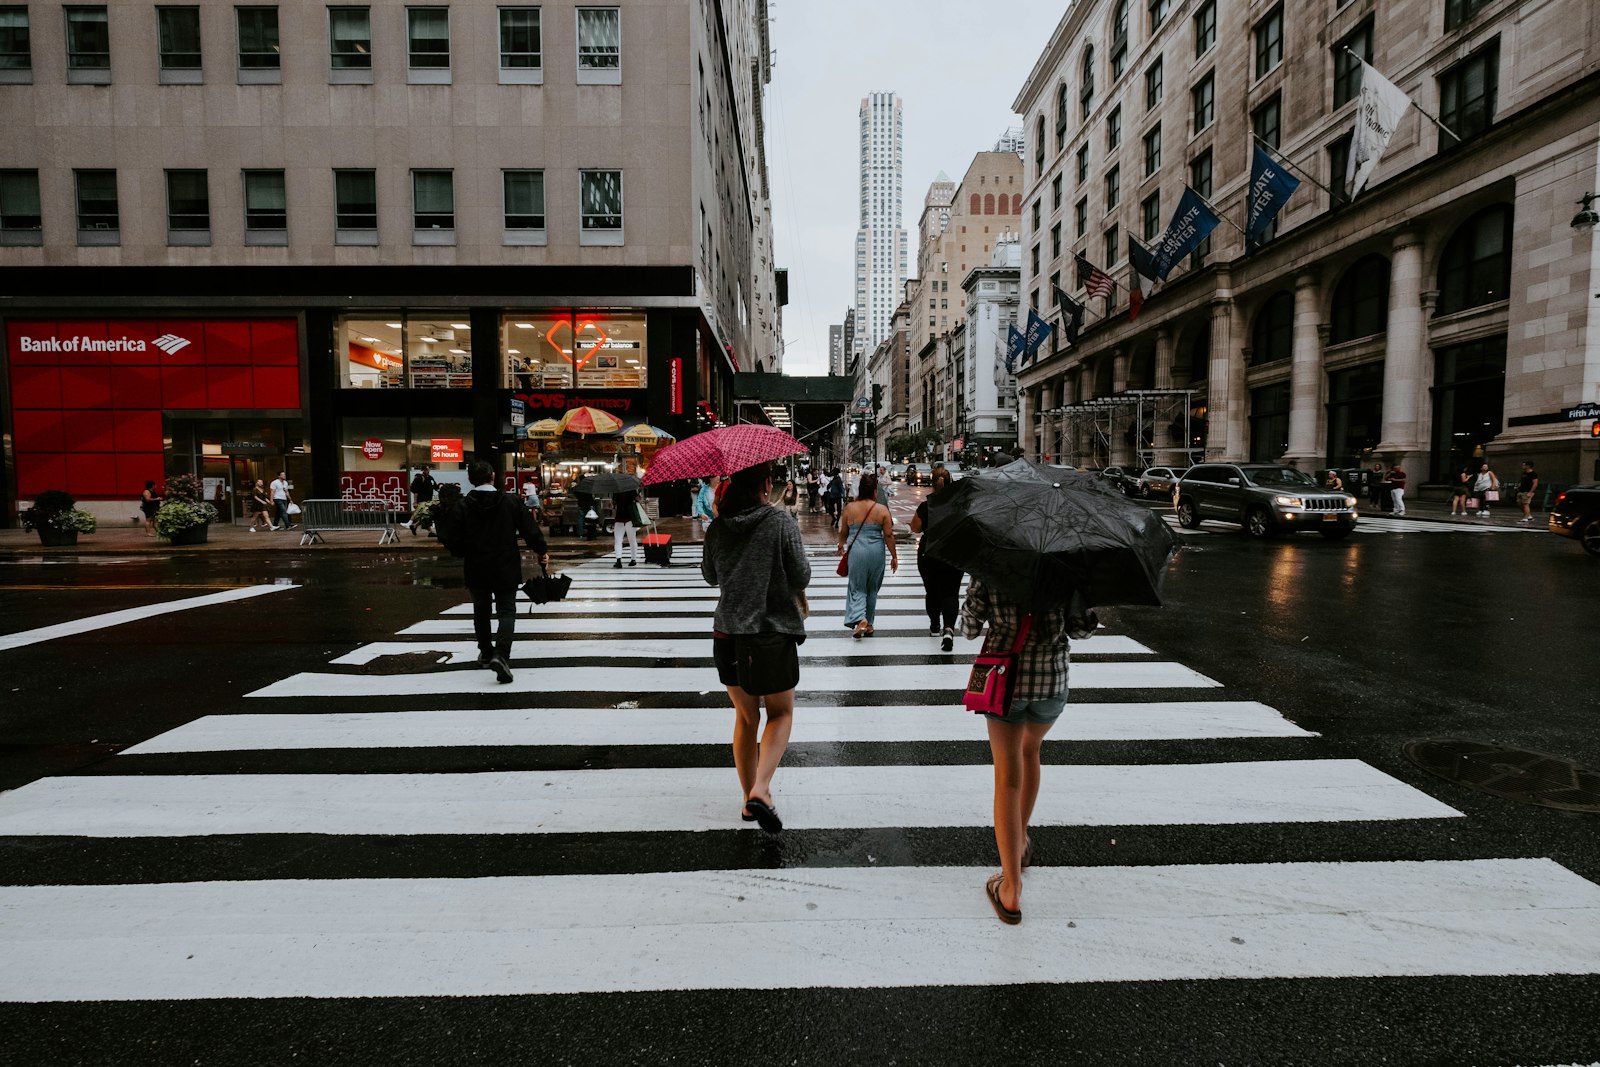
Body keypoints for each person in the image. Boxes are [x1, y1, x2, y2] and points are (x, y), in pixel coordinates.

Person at [960, 578, 1089, 925]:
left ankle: (1010, 885)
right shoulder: (1065, 565)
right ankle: (1020, 842)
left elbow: (969, 627)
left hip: (1004, 679)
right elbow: (1081, 628)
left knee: (1006, 777)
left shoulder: (993, 566)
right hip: (1051, 681)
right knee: (1031, 752)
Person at [701, 461, 810, 835]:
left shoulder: (717, 527)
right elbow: (802, 575)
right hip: (770, 634)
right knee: (780, 715)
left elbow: (710, 576)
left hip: (727, 634)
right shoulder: (779, 522)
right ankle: (761, 790)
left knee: (747, 718)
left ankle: (747, 798)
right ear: (765, 484)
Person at [435, 461, 549, 684]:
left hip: (476, 564)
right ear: (493, 476)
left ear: (470, 479)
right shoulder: (510, 501)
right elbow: (529, 529)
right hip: (505, 563)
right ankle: (502, 655)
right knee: (506, 610)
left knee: (481, 610)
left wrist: (462, 551)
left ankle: (486, 652)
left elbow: (450, 536)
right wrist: (541, 551)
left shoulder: (463, 505)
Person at [837, 472, 898, 639]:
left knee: (857, 587)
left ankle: (860, 619)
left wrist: (841, 545)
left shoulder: (850, 508)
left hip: (857, 550)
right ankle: (869, 623)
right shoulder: (882, 510)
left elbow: (844, 531)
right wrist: (894, 556)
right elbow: (889, 535)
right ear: (874, 492)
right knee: (872, 589)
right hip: (876, 552)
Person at [910, 466, 962, 651]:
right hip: (954, 552)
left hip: (929, 553)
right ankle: (949, 629)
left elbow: (915, 528)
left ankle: (934, 625)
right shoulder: (958, 506)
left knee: (932, 591)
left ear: (932, 484)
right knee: (950, 592)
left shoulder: (926, 506)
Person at [611, 485, 642, 567]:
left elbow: (613, 505)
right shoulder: (631, 489)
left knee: (618, 540)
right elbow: (638, 500)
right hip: (630, 518)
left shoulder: (616, 490)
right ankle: (633, 559)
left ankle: (618, 560)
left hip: (619, 517)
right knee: (632, 539)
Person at [407, 467, 436, 531]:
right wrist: (415, 501)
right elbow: (415, 491)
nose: (428, 471)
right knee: (420, 512)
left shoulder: (430, 478)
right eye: (426, 470)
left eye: (428, 469)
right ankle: (410, 522)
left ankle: (414, 526)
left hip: (429, 500)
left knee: (423, 515)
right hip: (421, 499)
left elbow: (435, 486)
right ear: (423, 470)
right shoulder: (419, 478)